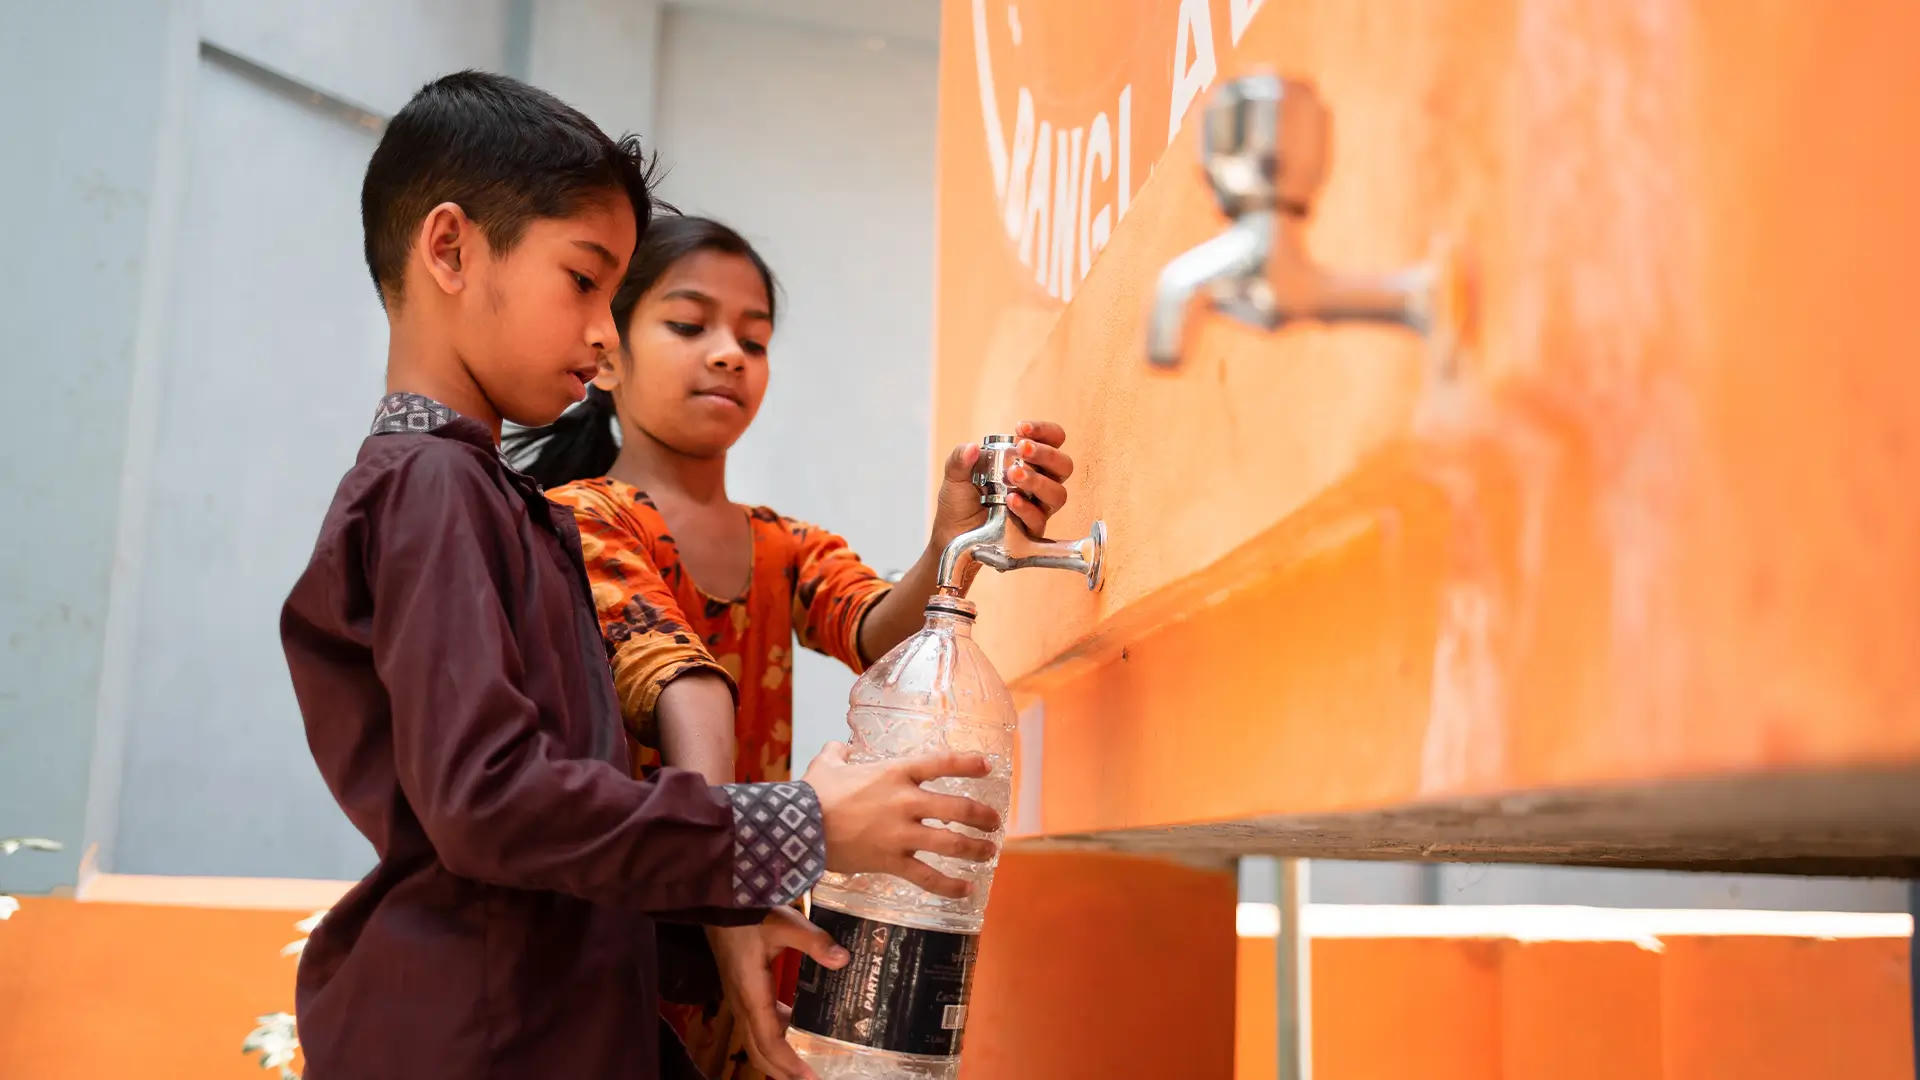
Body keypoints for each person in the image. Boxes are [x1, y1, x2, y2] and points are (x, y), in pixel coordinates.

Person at [280, 73, 1001, 1080]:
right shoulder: (437, 486)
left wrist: (727, 906)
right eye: (585, 281)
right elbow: (491, 803)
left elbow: (549, 824)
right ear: (448, 248)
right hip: (476, 1039)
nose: (603, 332)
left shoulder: (491, 498)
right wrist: (795, 825)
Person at [509, 214, 1077, 1079]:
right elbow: (680, 679)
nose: (729, 353)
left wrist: (949, 540)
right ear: (609, 358)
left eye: (755, 337)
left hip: (753, 930)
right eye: (689, 324)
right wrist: (728, 887)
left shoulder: (783, 545)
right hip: (634, 942)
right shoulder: (585, 514)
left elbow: (877, 629)